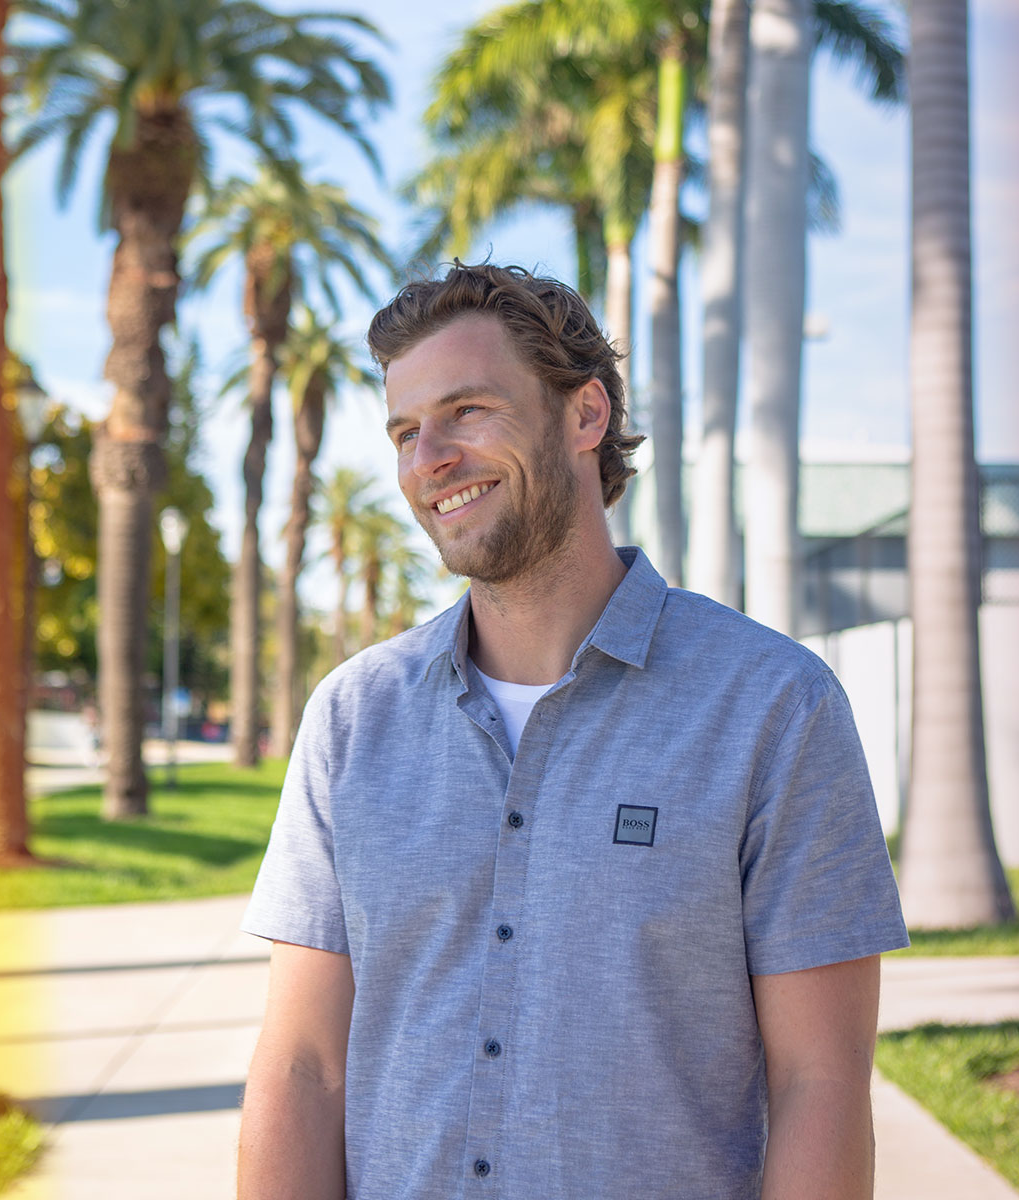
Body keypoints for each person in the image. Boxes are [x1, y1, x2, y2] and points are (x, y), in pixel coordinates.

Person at [238, 262, 908, 1200]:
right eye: (404, 431)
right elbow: (305, 1066)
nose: (429, 457)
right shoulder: (353, 719)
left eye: (468, 410)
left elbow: (821, 1084)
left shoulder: (773, 709)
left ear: (585, 415)